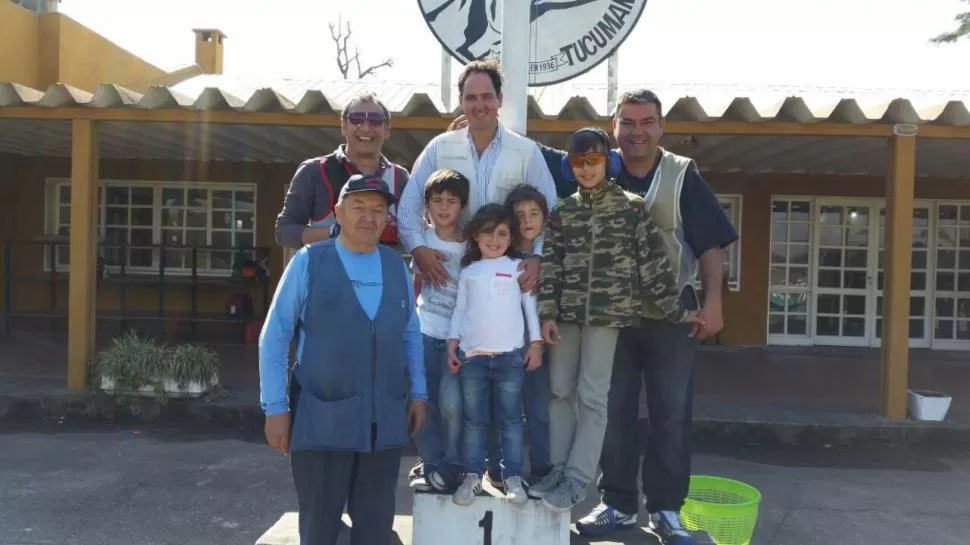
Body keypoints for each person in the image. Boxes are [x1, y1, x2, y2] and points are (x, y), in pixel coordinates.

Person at [525, 127, 703, 514]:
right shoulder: (563, 211)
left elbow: (653, 266)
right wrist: (547, 314)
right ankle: (556, 470)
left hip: (607, 318)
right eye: (579, 162)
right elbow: (551, 265)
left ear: (608, 161)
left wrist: (678, 311)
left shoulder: (631, 207)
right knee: (559, 392)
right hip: (567, 317)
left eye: (594, 160)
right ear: (571, 167)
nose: (587, 168)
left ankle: (577, 478)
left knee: (593, 397)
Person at [398, 58, 557, 486]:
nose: (480, 103)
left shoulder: (526, 151)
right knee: (452, 392)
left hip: (509, 288)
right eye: (471, 96)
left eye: (488, 96)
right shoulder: (438, 149)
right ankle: (448, 465)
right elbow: (410, 208)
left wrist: (538, 257)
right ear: (461, 101)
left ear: (501, 100)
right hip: (450, 288)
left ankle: (504, 470)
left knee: (506, 391)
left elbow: (550, 211)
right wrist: (419, 249)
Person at [258, 174, 428, 545]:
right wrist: (275, 408)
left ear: (387, 219)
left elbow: (410, 333)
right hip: (321, 423)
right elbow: (274, 336)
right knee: (319, 530)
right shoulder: (309, 262)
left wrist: (419, 392)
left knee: (375, 530)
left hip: (382, 421)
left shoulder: (395, 265)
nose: (368, 217)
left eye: (378, 210)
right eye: (358, 207)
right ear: (337, 212)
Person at [446, 204, 544, 507]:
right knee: (474, 421)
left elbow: (529, 307)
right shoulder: (469, 272)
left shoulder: (518, 267)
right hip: (472, 358)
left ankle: (512, 476)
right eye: (487, 232)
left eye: (502, 233)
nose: (494, 239)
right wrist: (452, 343)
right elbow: (460, 309)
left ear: (511, 237)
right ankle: (472, 476)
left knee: (512, 421)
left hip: (511, 358)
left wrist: (536, 343)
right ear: (475, 236)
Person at [275, 92, 410, 250]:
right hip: (327, 273)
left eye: (375, 120)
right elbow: (283, 232)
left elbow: (415, 231)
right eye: (357, 119)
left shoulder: (399, 178)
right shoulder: (314, 171)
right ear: (344, 126)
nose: (366, 128)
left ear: (387, 129)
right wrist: (336, 233)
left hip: (382, 273)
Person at [409, 168, 471, 492]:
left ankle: (452, 465)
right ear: (427, 204)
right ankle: (430, 461)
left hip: (454, 340)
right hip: (422, 332)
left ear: (462, 206)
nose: (444, 207)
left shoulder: (470, 245)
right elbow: (415, 284)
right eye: (437, 200)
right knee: (419, 399)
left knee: (450, 403)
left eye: (452, 200)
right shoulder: (420, 238)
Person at [504, 184, 553, 480]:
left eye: (534, 213)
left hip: (540, 343)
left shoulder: (552, 253)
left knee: (538, 407)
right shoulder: (498, 251)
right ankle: (503, 468)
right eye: (519, 214)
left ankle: (541, 467)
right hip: (505, 342)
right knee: (505, 410)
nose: (527, 221)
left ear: (545, 218)